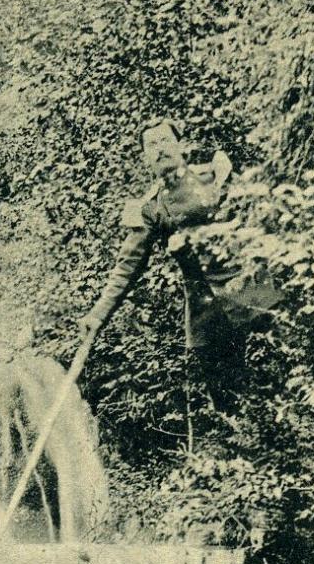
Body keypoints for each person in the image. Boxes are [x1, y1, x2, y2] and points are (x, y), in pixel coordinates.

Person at [77, 117, 276, 403]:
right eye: (151, 145)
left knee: (274, 383)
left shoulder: (214, 175)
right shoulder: (149, 208)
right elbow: (127, 267)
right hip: (206, 315)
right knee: (229, 402)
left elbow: (257, 214)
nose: (159, 149)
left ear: (180, 145)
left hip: (251, 295)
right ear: (146, 158)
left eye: (164, 141)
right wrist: (97, 315)